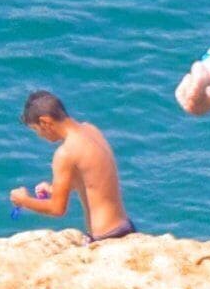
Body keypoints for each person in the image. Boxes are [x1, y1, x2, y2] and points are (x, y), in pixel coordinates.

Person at [10, 92, 137, 243]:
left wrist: (24, 200)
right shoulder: (91, 129)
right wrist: (53, 189)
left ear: (45, 122)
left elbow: (57, 209)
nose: (40, 136)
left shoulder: (65, 153)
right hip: (125, 226)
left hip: (106, 237)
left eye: (36, 130)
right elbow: (93, 180)